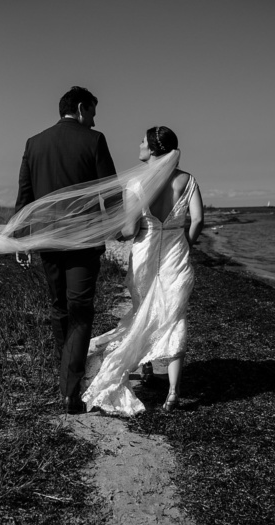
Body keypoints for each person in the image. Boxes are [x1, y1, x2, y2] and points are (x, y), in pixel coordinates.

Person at [81, 127, 202, 415]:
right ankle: (173, 392)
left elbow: (131, 229)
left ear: (153, 150)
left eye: (143, 142)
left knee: (141, 313)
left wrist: (118, 233)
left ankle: (146, 369)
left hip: (145, 256)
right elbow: (197, 220)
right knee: (174, 318)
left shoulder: (135, 182)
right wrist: (187, 242)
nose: (139, 145)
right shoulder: (188, 180)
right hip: (176, 256)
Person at [16, 86, 116, 414]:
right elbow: (111, 191)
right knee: (81, 309)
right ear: (80, 107)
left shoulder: (34, 143)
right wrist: (120, 226)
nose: (94, 119)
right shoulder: (94, 140)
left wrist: (22, 238)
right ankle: (70, 389)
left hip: (46, 240)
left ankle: (67, 379)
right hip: (83, 240)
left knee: (60, 307)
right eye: (93, 112)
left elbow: (25, 196)